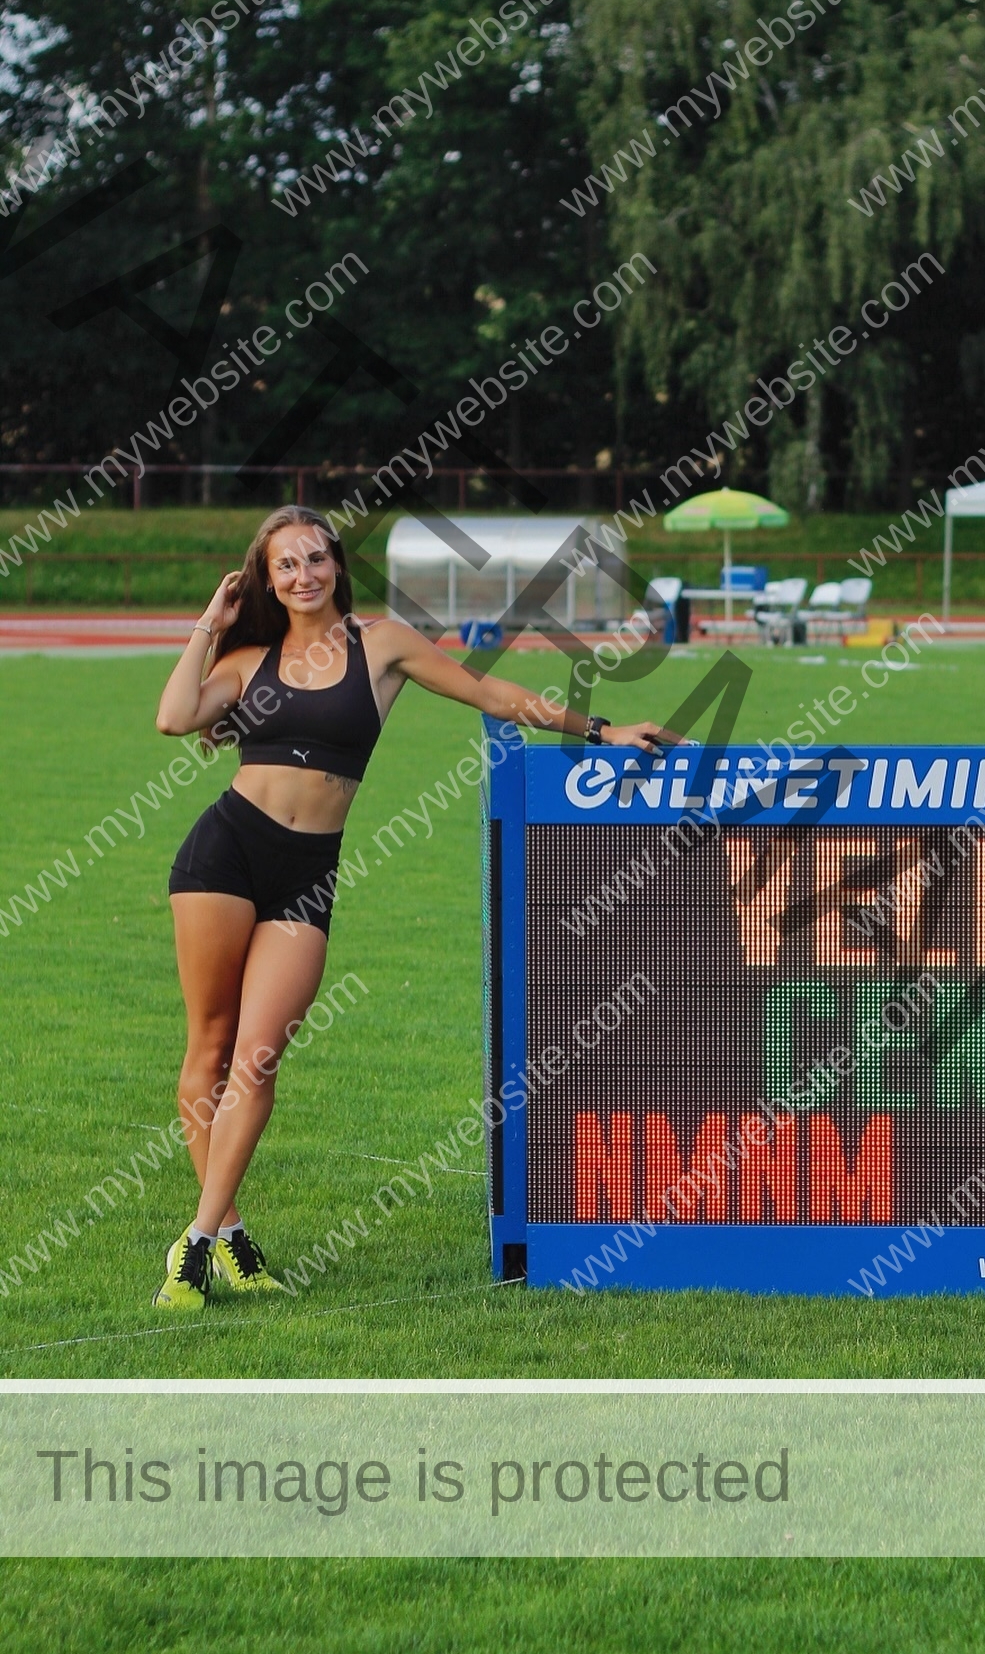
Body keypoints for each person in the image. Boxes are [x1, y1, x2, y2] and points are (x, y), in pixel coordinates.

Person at [152, 505, 669, 1310]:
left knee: (258, 1057)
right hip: (224, 853)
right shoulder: (248, 659)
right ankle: (221, 1237)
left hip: (306, 874)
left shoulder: (382, 644)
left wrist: (600, 729)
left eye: (315, 558)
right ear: (266, 580)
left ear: (335, 564)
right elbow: (174, 716)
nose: (303, 575)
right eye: (284, 565)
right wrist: (207, 626)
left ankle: (200, 1235)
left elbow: (489, 692)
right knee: (210, 1048)